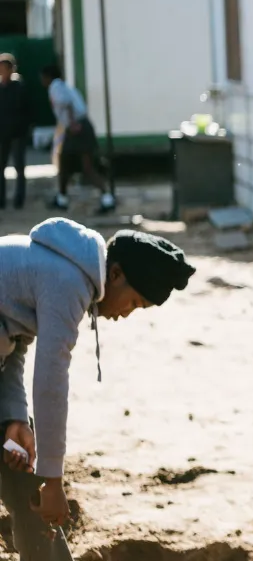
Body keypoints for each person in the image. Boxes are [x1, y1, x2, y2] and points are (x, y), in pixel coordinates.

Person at [0, 218, 196, 560]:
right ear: (116, 275)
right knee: (34, 483)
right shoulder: (67, 282)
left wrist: (14, 417)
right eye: (133, 303)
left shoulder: (62, 271)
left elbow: (14, 346)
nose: (125, 315)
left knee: (21, 472)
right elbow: (50, 383)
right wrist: (54, 480)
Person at [39, 65, 115, 213]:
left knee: (85, 167)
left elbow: (66, 104)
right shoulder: (64, 86)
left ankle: (106, 198)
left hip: (77, 128)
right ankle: (62, 197)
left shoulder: (55, 88)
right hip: (79, 126)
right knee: (66, 164)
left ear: (48, 77)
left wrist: (72, 124)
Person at [0, 53, 31, 210]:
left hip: (18, 133)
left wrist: (24, 129)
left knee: (19, 167)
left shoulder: (19, 87)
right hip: (2, 134)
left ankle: (19, 200)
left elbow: (27, 110)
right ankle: (1, 200)